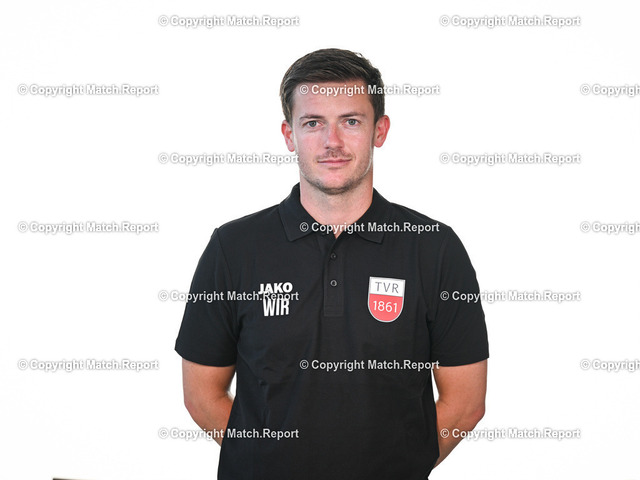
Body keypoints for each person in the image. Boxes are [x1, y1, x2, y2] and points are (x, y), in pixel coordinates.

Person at [175, 48, 489, 480]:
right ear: (289, 135)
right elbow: (201, 395)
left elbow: (466, 403)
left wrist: (396, 468)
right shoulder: (233, 248)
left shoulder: (435, 248)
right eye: (313, 123)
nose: (332, 142)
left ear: (380, 130)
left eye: (351, 121)